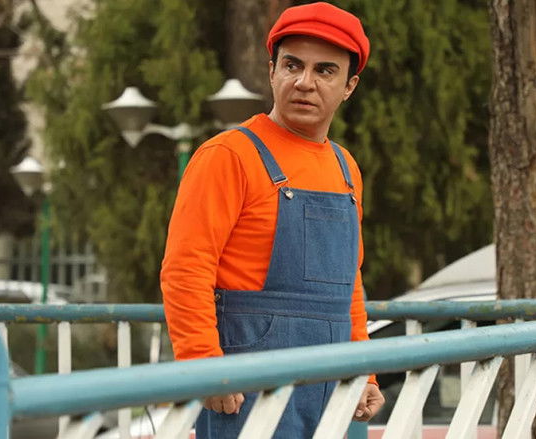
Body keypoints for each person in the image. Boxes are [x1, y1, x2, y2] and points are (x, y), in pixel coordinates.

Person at [160, 2, 384, 437]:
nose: (304, 82)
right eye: (292, 65)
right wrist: (204, 365)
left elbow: (349, 284)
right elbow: (186, 268)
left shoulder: (345, 168)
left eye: (325, 71)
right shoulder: (228, 155)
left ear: (349, 86)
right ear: (272, 72)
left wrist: (364, 371)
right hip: (249, 384)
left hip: (334, 383)